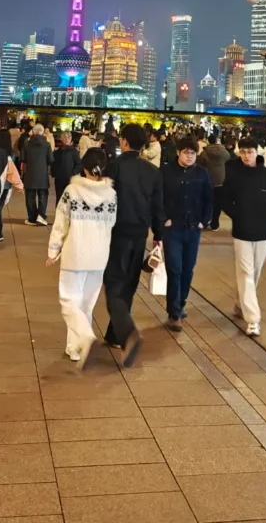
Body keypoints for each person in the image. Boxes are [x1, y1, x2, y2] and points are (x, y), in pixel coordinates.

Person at [47, 148, 117, 366]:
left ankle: (84, 340)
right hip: (99, 256)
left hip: (75, 254)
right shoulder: (111, 195)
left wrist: (53, 250)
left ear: (83, 167)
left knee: (69, 300)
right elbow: (111, 224)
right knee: (86, 304)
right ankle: (76, 347)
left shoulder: (72, 191)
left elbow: (61, 223)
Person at [103, 123, 164, 366]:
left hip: (116, 232)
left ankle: (127, 334)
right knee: (128, 282)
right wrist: (158, 236)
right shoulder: (152, 171)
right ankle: (114, 335)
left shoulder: (114, 167)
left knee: (113, 284)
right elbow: (158, 207)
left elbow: (104, 199)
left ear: (125, 142)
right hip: (140, 233)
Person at [222, 138, 266, 336]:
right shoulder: (234, 175)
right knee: (246, 273)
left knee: (255, 273)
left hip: (262, 232)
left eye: (250, 152)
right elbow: (225, 200)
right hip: (241, 232)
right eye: (243, 152)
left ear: (257, 153)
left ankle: (241, 302)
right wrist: (238, 215)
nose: (247, 156)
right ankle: (253, 320)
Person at [162, 137, 213, 330]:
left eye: (193, 153)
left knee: (188, 269)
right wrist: (163, 219)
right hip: (172, 228)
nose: (189, 156)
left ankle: (181, 303)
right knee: (174, 269)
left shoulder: (202, 174)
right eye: (186, 152)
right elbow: (158, 196)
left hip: (193, 228)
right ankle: (174, 312)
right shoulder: (166, 171)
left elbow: (209, 198)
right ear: (178, 152)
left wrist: (204, 220)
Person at [22, 123, 53, 226]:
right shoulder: (47, 144)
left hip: (30, 173)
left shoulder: (27, 143)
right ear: (43, 132)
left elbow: (22, 158)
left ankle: (32, 218)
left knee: (30, 196)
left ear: (33, 132)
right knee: (43, 195)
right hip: (42, 174)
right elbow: (51, 159)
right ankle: (41, 215)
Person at [198, 135, 229, 230]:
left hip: (208, 179)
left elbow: (200, 163)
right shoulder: (224, 152)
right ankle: (215, 223)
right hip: (220, 180)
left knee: (207, 201)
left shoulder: (205, 152)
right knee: (217, 203)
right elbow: (228, 159)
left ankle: (206, 220)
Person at [51, 131, 81, 204]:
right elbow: (53, 163)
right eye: (65, 137)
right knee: (59, 197)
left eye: (68, 137)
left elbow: (79, 164)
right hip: (59, 179)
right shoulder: (57, 152)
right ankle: (58, 214)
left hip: (70, 178)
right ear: (61, 139)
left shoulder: (74, 151)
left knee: (70, 198)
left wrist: (74, 172)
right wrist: (54, 173)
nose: (67, 139)